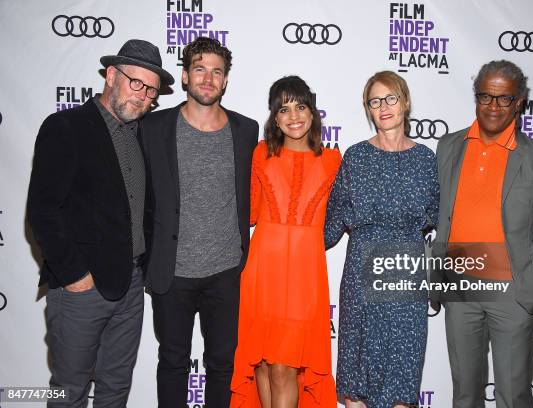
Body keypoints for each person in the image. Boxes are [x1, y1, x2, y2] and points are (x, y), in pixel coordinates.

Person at [27, 39, 173, 407]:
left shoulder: (143, 135)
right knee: (69, 390)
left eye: (151, 91)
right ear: (111, 75)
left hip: (131, 284)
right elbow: (43, 210)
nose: (142, 96)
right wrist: (76, 276)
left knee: (115, 388)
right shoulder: (67, 126)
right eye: (135, 83)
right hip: (82, 288)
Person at [432, 60, 533, 408]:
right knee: (465, 395)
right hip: (460, 289)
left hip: (513, 296)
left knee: (512, 396)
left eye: (504, 99)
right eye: (485, 96)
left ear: (520, 101)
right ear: (476, 96)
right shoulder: (448, 146)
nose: (493, 107)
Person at [139, 37, 258, 408]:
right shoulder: (153, 127)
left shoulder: (247, 130)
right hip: (171, 272)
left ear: (225, 81)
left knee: (222, 365)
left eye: (217, 71)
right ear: (185, 76)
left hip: (226, 272)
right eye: (200, 69)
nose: (208, 78)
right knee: (173, 362)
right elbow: (139, 197)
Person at [324, 71, 439, 408]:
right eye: (375, 101)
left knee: (402, 376)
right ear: (368, 110)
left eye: (391, 98)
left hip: (407, 271)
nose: (384, 106)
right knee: (357, 379)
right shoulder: (355, 157)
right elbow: (330, 223)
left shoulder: (426, 160)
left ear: (405, 102)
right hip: (362, 271)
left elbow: (439, 216)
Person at [230, 76, 340, 407]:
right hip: (262, 274)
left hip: (304, 278)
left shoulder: (333, 160)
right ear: (274, 118)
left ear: (313, 112)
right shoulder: (260, 155)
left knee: (284, 368)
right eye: (284, 109)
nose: (294, 116)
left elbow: (339, 219)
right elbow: (245, 210)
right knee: (262, 364)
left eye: (301, 106)